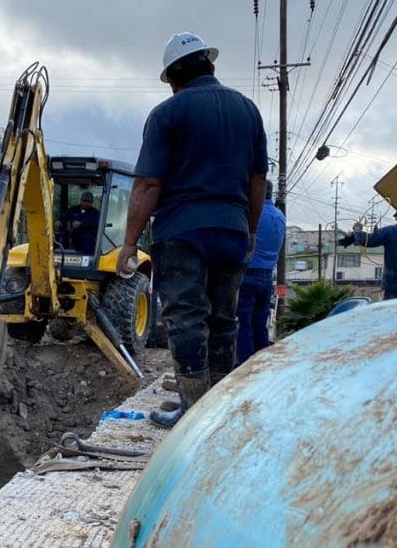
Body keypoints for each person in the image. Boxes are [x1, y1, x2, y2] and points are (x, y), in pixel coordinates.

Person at [116, 32, 269, 428]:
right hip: (232, 228)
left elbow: (148, 184)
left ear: (173, 77)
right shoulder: (248, 110)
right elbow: (257, 182)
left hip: (183, 232)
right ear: (209, 64)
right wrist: (249, 230)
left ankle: (192, 411)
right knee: (224, 318)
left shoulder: (169, 114)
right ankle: (216, 411)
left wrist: (129, 243)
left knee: (186, 317)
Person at [235, 180, 285, 367]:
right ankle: (262, 362)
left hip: (248, 273)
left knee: (244, 323)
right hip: (267, 275)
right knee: (260, 322)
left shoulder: (252, 214)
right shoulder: (280, 216)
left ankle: (245, 366)